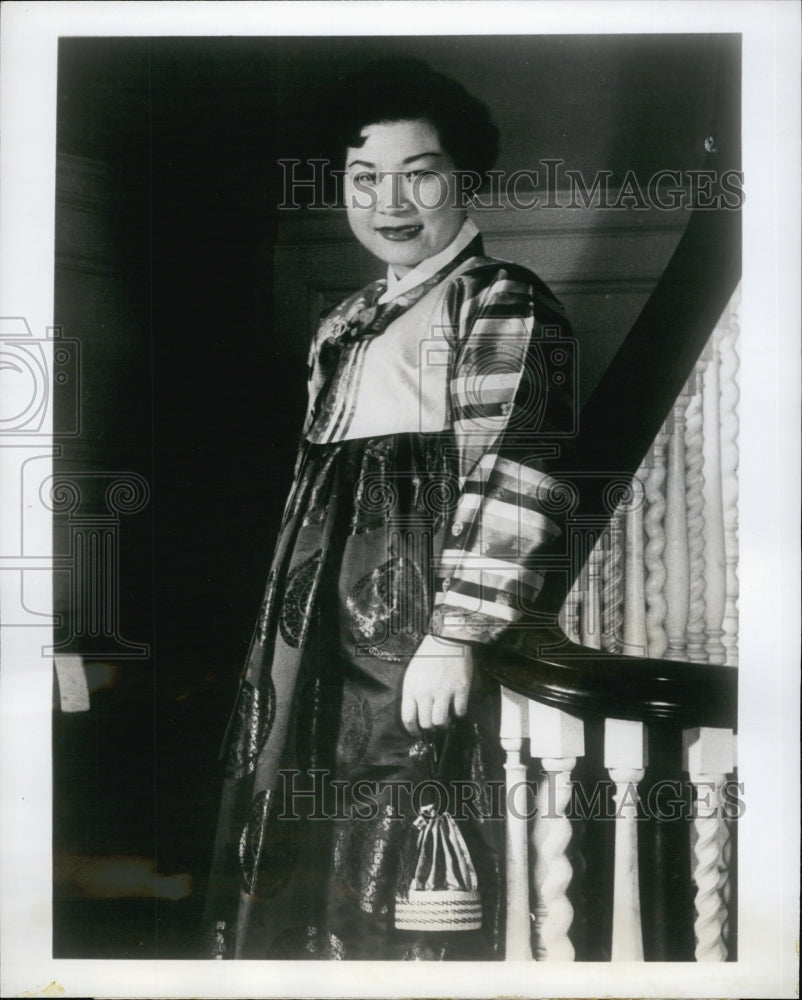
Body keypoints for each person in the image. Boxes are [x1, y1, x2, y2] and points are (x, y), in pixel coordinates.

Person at [204, 57, 574, 961]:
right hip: (312, 625)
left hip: (414, 621)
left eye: (420, 172)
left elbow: (520, 471)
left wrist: (452, 635)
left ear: (466, 176)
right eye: (364, 178)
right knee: (296, 808)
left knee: (401, 818)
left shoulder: (503, 300)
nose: (390, 200)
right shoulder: (344, 323)